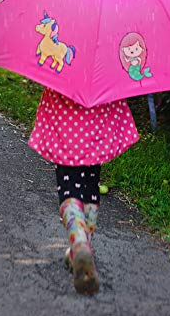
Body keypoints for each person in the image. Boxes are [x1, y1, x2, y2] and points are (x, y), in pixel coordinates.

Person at [28, 87, 139, 295]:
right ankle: (82, 245)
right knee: (90, 186)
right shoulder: (105, 55)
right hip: (98, 117)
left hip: (65, 118)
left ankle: (78, 242)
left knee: (70, 188)